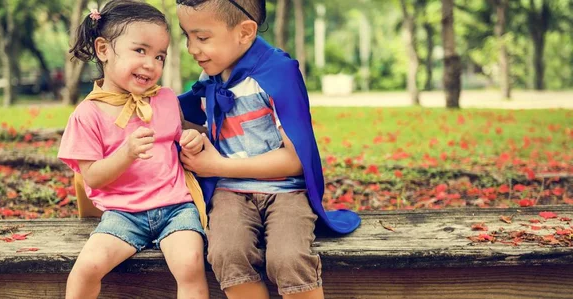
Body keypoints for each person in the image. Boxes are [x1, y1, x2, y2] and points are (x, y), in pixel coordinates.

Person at [176, 0, 361, 298]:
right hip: (230, 194)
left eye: (202, 38)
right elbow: (197, 122)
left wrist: (217, 166)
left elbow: (295, 159)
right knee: (227, 252)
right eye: (187, 36)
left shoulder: (277, 73)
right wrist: (194, 139)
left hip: (286, 191)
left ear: (245, 32)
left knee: (288, 257)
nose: (191, 48)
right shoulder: (213, 73)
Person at [57, 1, 209, 298]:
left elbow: (184, 136)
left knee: (190, 263)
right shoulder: (88, 114)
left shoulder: (165, 99)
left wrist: (196, 140)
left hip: (176, 208)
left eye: (159, 56)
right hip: (123, 213)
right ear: (103, 50)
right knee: (87, 267)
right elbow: (93, 178)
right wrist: (125, 153)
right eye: (140, 50)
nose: (151, 63)